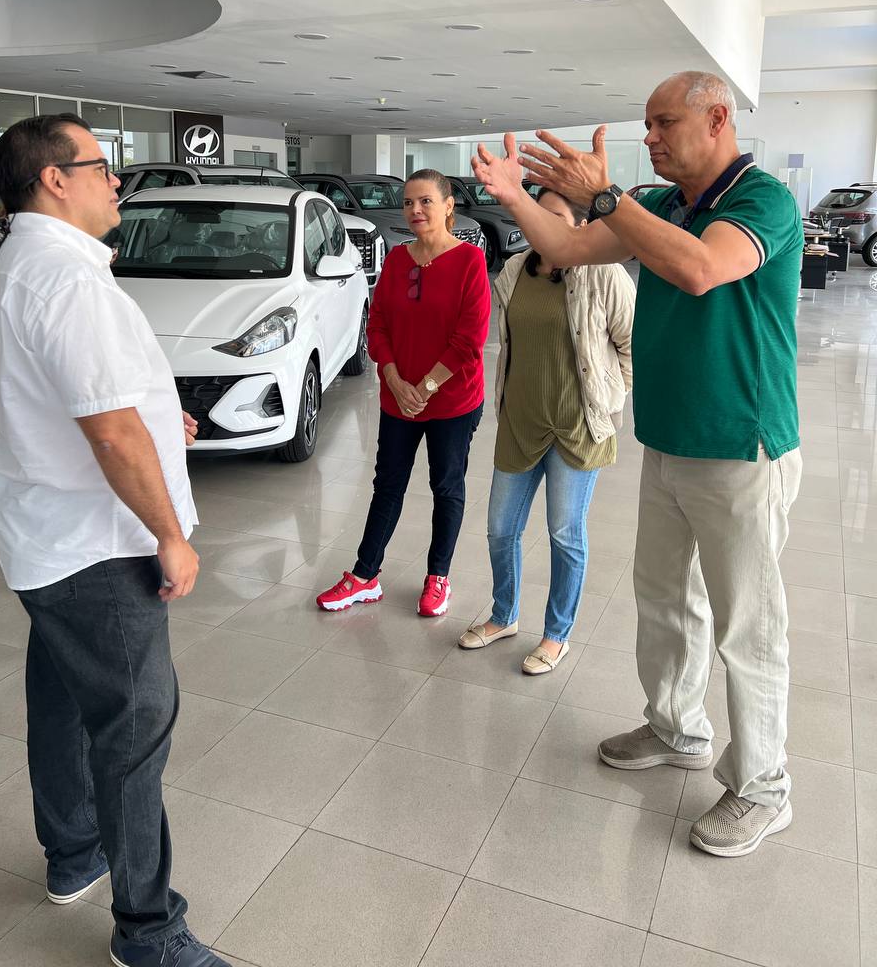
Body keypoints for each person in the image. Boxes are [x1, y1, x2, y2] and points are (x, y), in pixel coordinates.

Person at [472, 72, 803, 858]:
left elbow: (700, 269)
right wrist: (515, 197)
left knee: (747, 627)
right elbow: (565, 247)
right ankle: (676, 727)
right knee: (664, 601)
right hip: (670, 439)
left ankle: (763, 786)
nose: (649, 137)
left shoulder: (763, 201)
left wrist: (606, 196)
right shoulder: (660, 205)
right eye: (646, 124)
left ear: (717, 119)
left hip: (742, 444)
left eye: (663, 123)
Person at [0, 113, 228, 967]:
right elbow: (112, 434)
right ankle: (149, 933)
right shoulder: (65, 279)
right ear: (55, 179)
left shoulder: (17, 263)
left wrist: (160, 419)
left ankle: (73, 852)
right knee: (132, 729)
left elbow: (78, 399)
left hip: (44, 535)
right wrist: (170, 533)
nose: (115, 179)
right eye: (100, 164)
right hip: (99, 547)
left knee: (61, 702)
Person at [458, 189, 634, 673]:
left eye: (554, 217)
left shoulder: (604, 274)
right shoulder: (514, 271)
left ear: (580, 225)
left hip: (578, 428)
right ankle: (504, 615)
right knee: (500, 529)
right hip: (521, 422)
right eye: (535, 215)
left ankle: (557, 634)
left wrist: (608, 398)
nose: (541, 225)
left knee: (564, 533)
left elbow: (631, 346)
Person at [316, 169, 491, 616]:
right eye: (409, 202)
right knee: (387, 484)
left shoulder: (470, 261)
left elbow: (469, 341)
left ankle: (438, 577)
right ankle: (364, 576)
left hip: (452, 401)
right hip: (398, 398)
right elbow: (377, 325)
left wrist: (426, 388)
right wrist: (394, 381)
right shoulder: (397, 260)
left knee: (446, 486)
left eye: (425, 201)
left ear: (448, 206)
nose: (415, 210)